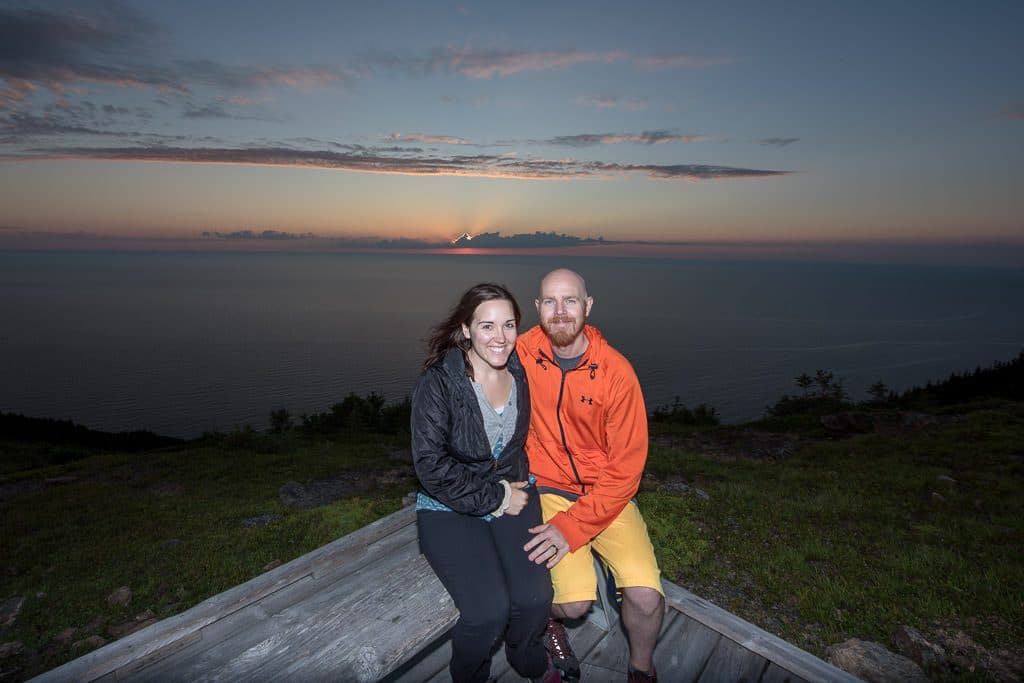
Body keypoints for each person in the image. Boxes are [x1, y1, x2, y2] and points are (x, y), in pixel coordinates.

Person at [518, 269, 665, 683]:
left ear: (588, 305)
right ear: (537, 308)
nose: (560, 311)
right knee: (574, 604)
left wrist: (574, 526)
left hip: (609, 494)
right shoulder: (520, 352)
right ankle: (547, 621)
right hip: (548, 488)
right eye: (550, 301)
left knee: (646, 597)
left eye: (570, 301)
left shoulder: (617, 373)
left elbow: (626, 470)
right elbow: (474, 352)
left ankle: (641, 670)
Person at [411, 283, 561, 683]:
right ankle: (469, 675)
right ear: (466, 329)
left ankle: (526, 656)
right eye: (487, 326)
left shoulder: (518, 373)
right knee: (487, 611)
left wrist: (518, 491)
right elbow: (430, 466)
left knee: (535, 599)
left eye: (509, 325)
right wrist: (495, 497)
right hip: (449, 506)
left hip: (514, 490)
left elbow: (511, 446)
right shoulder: (439, 384)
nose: (500, 338)